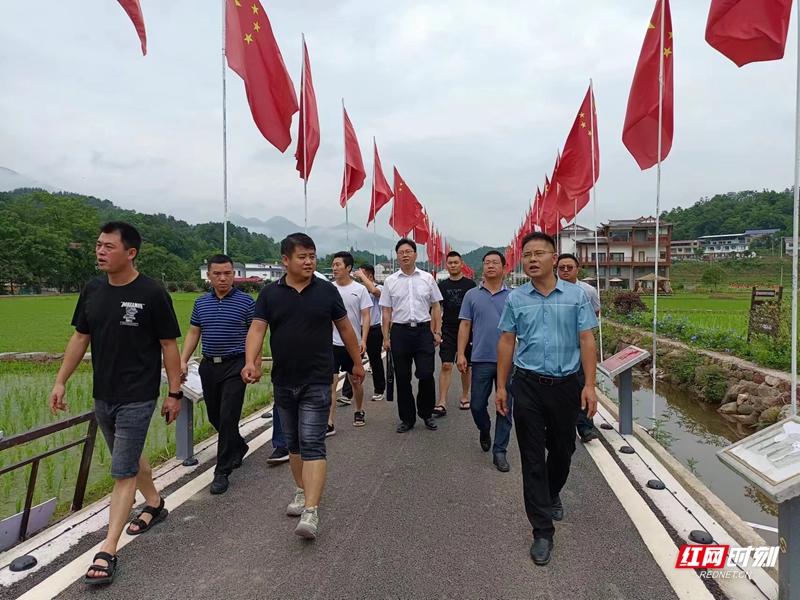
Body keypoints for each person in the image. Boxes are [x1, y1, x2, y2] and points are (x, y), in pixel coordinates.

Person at [49, 222, 182, 585]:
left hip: (138, 395)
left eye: (109, 246)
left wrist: (174, 393)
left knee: (122, 472)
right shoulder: (92, 290)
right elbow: (80, 337)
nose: (100, 251)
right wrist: (61, 380)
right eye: (98, 245)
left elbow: (169, 345)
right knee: (129, 456)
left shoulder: (152, 292)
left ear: (131, 253)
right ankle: (154, 502)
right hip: (103, 393)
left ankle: (108, 549)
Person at [242, 233, 364, 540]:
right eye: (302, 257)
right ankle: (301, 489)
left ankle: (311, 510)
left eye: (312, 256)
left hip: (318, 379)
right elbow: (257, 329)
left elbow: (346, 329)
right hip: (284, 379)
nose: (309, 261)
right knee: (293, 444)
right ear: (285, 260)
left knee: (312, 442)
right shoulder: (270, 294)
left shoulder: (326, 291)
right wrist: (251, 361)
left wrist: (356, 363)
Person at [496, 232, 598, 567]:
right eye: (527, 255)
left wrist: (590, 384)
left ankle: (552, 491)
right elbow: (508, 341)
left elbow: (586, 338)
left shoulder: (576, 297)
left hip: (566, 385)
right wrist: (501, 386)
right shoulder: (516, 299)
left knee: (563, 449)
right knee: (531, 457)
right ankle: (542, 529)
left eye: (539, 253)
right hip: (527, 385)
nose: (532, 259)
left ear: (555, 258)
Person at [180, 254, 254, 494]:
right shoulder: (201, 303)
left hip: (236, 365)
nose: (223, 278)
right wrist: (182, 360)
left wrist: (252, 362)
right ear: (209, 275)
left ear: (234, 274)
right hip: (209, 365)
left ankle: (221, 471)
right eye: (217, 274)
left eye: (228, 273)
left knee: (227, 417)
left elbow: (255, 334)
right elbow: (193, 332)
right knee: (215, 416)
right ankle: (239, 445)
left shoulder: (246, 302)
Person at [456, 250, 513, 472]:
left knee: (505, 407)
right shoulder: (472, 295)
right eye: (487, 262)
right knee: (477, 405)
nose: (490, 266)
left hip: (508, 362)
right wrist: (461, 353)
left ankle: (500, 451)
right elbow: (465, 325)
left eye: (495, 262)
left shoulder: (514, 296)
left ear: (504, 267)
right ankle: (484, 428)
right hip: (480, 358)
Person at [380, 238, 443, 433]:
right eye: (401, 252)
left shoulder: (427, 278)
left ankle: (426, 413)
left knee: (426, 374)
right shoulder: (390, 281)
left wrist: (437, 331)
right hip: (400, 332)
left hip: (423, 331)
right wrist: (386, 337)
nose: (405, 255)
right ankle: (407, 419)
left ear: (415, 254)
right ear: (397, 256)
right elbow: (386, 311)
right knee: (402, 377)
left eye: (409, 251)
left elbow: (436, 306)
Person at [556, 253, 602, 444]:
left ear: (577, 269)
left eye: (569, 267)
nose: (565, 270)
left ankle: (584, 427)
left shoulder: (588, 291)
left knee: (584, 384)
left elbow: (595, 312)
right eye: (562, 268)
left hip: (581, 346)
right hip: (560, 347)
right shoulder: (551, 290)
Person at [328, 251, 372, 433]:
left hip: (352, 344)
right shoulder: (328, 289)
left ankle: (359, 410)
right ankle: (329, 422)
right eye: (333, 265)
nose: (334, 268)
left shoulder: (359, 289)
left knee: (355, 381)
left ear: (348, 268)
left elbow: (366, 316)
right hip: (331, 343)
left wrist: (363, 339)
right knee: (330, 383)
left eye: (338, 265)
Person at [434, 251, 476, 416]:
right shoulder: (442, 286)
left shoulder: (470, 285)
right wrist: (436, 331)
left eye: (455, 262)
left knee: (465, 366)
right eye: (450, 263)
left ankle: (465, 396)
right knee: (446, 364)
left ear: (461, 264)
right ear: (447, 265)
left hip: (468, 329)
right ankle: (442, 401)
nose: (452, 265)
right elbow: (436, 310)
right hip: (449, 330)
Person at [353, 263, 387, 400]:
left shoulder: (379, 288)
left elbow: (374, 291)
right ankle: (347, 393)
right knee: (354, 360)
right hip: (357, 329)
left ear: (370, 275)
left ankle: (379, 389)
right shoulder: (358, 290)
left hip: (374, 329)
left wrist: (361, 276)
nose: (359, 277)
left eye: (363, 274)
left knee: (375, 360)